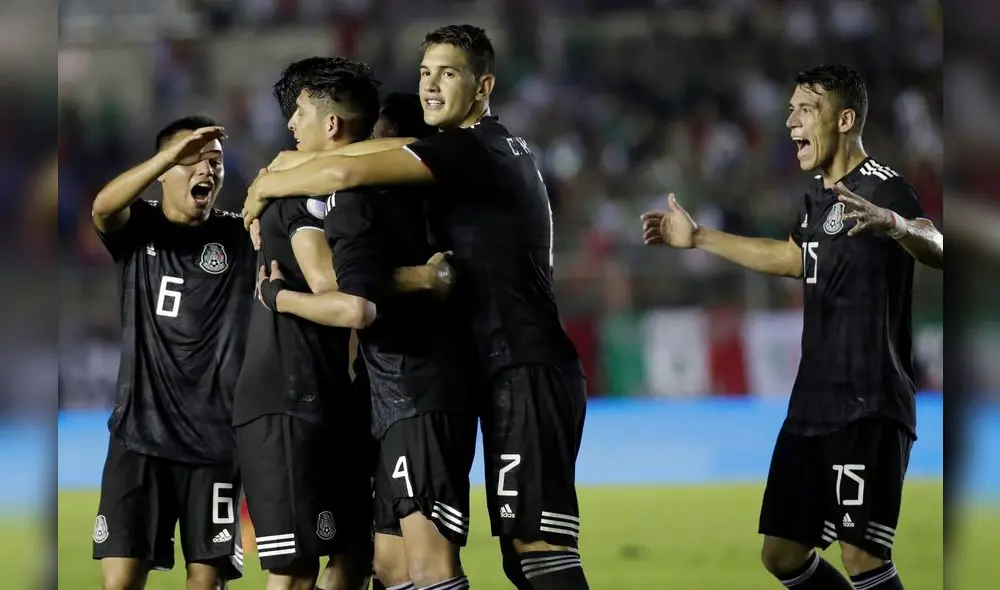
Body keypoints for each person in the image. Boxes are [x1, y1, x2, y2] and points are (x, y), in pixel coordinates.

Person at [243, 24, 589, 590]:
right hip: (498, 367)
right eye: (425, 72)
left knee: (537, 551)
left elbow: (348, 167)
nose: (430, 85)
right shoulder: (475, 146)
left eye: (447, 73)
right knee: (494, 558)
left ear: (484, 87)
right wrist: (284, 165)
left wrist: (267, 185)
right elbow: (368, 153)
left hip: (523, 362)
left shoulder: (476, 147)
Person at [641, 64, 943, 590]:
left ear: (845, 119)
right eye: (790, 110)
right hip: (812, 406)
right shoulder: (816, 199)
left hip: (868, 402)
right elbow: (792, 258)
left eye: (806, 110)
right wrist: (700, 238)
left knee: (862, 556)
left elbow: (937, 245)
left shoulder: (886, 188)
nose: (791, 122)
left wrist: (895, 225)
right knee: (781, 554)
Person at [234, 58, 457, 590]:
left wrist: (273, 176)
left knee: (354, 559)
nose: (290, 125)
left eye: (300, 113)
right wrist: (420, 280)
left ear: (331, 125)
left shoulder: (311, 187)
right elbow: (339, 292)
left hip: (333, 395)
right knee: (295, 573)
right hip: (286, 399)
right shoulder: (297, 199)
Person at [90, 115, 252, 590]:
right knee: (120, 582)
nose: (207, 170)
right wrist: (166, 156)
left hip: (216, 444)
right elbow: (102, 207)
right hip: (138, 434)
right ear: (164, 170)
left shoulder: (240, 237)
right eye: (193, 160)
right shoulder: (137, 227)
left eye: (216, 161)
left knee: (206, 584)